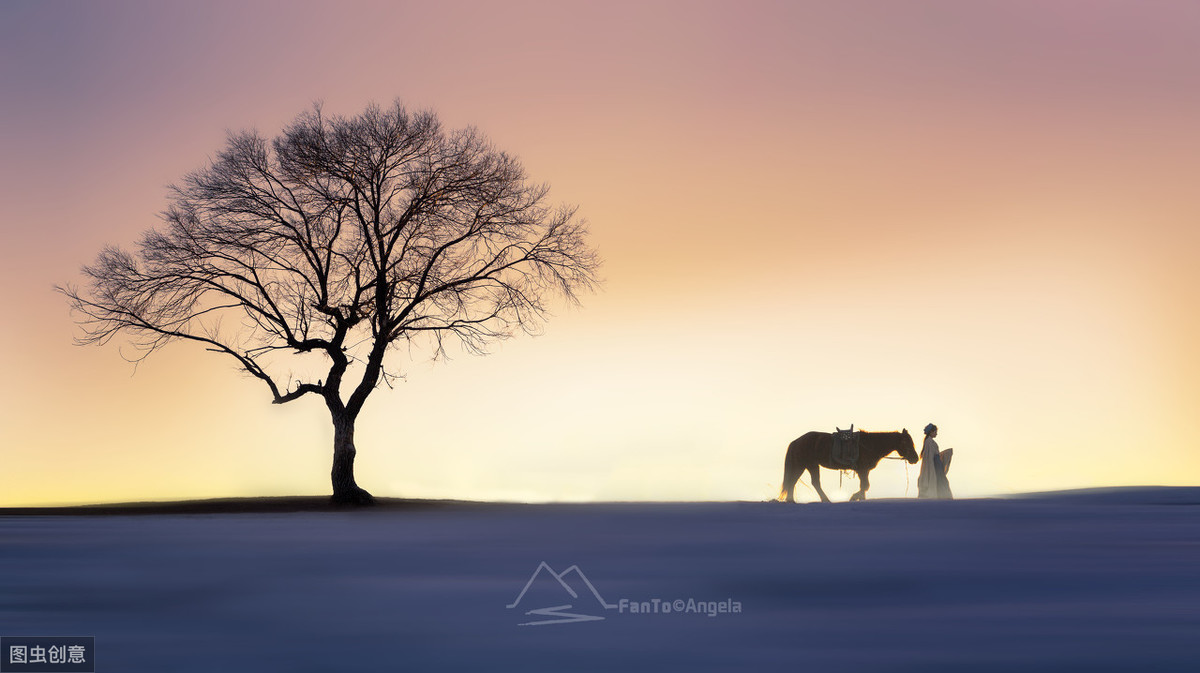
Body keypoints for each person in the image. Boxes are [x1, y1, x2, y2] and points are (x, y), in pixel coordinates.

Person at [917, 423, 953, 499]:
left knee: (941, 481)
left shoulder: (929, 441)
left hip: (937, 465)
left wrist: (946, 453)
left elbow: (934, 455)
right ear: (931, 432)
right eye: (935, 432)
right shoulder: (929, 442)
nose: (936, 434)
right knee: (940, 481)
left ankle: (943, 496)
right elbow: (930, 457)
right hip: (935, 466)